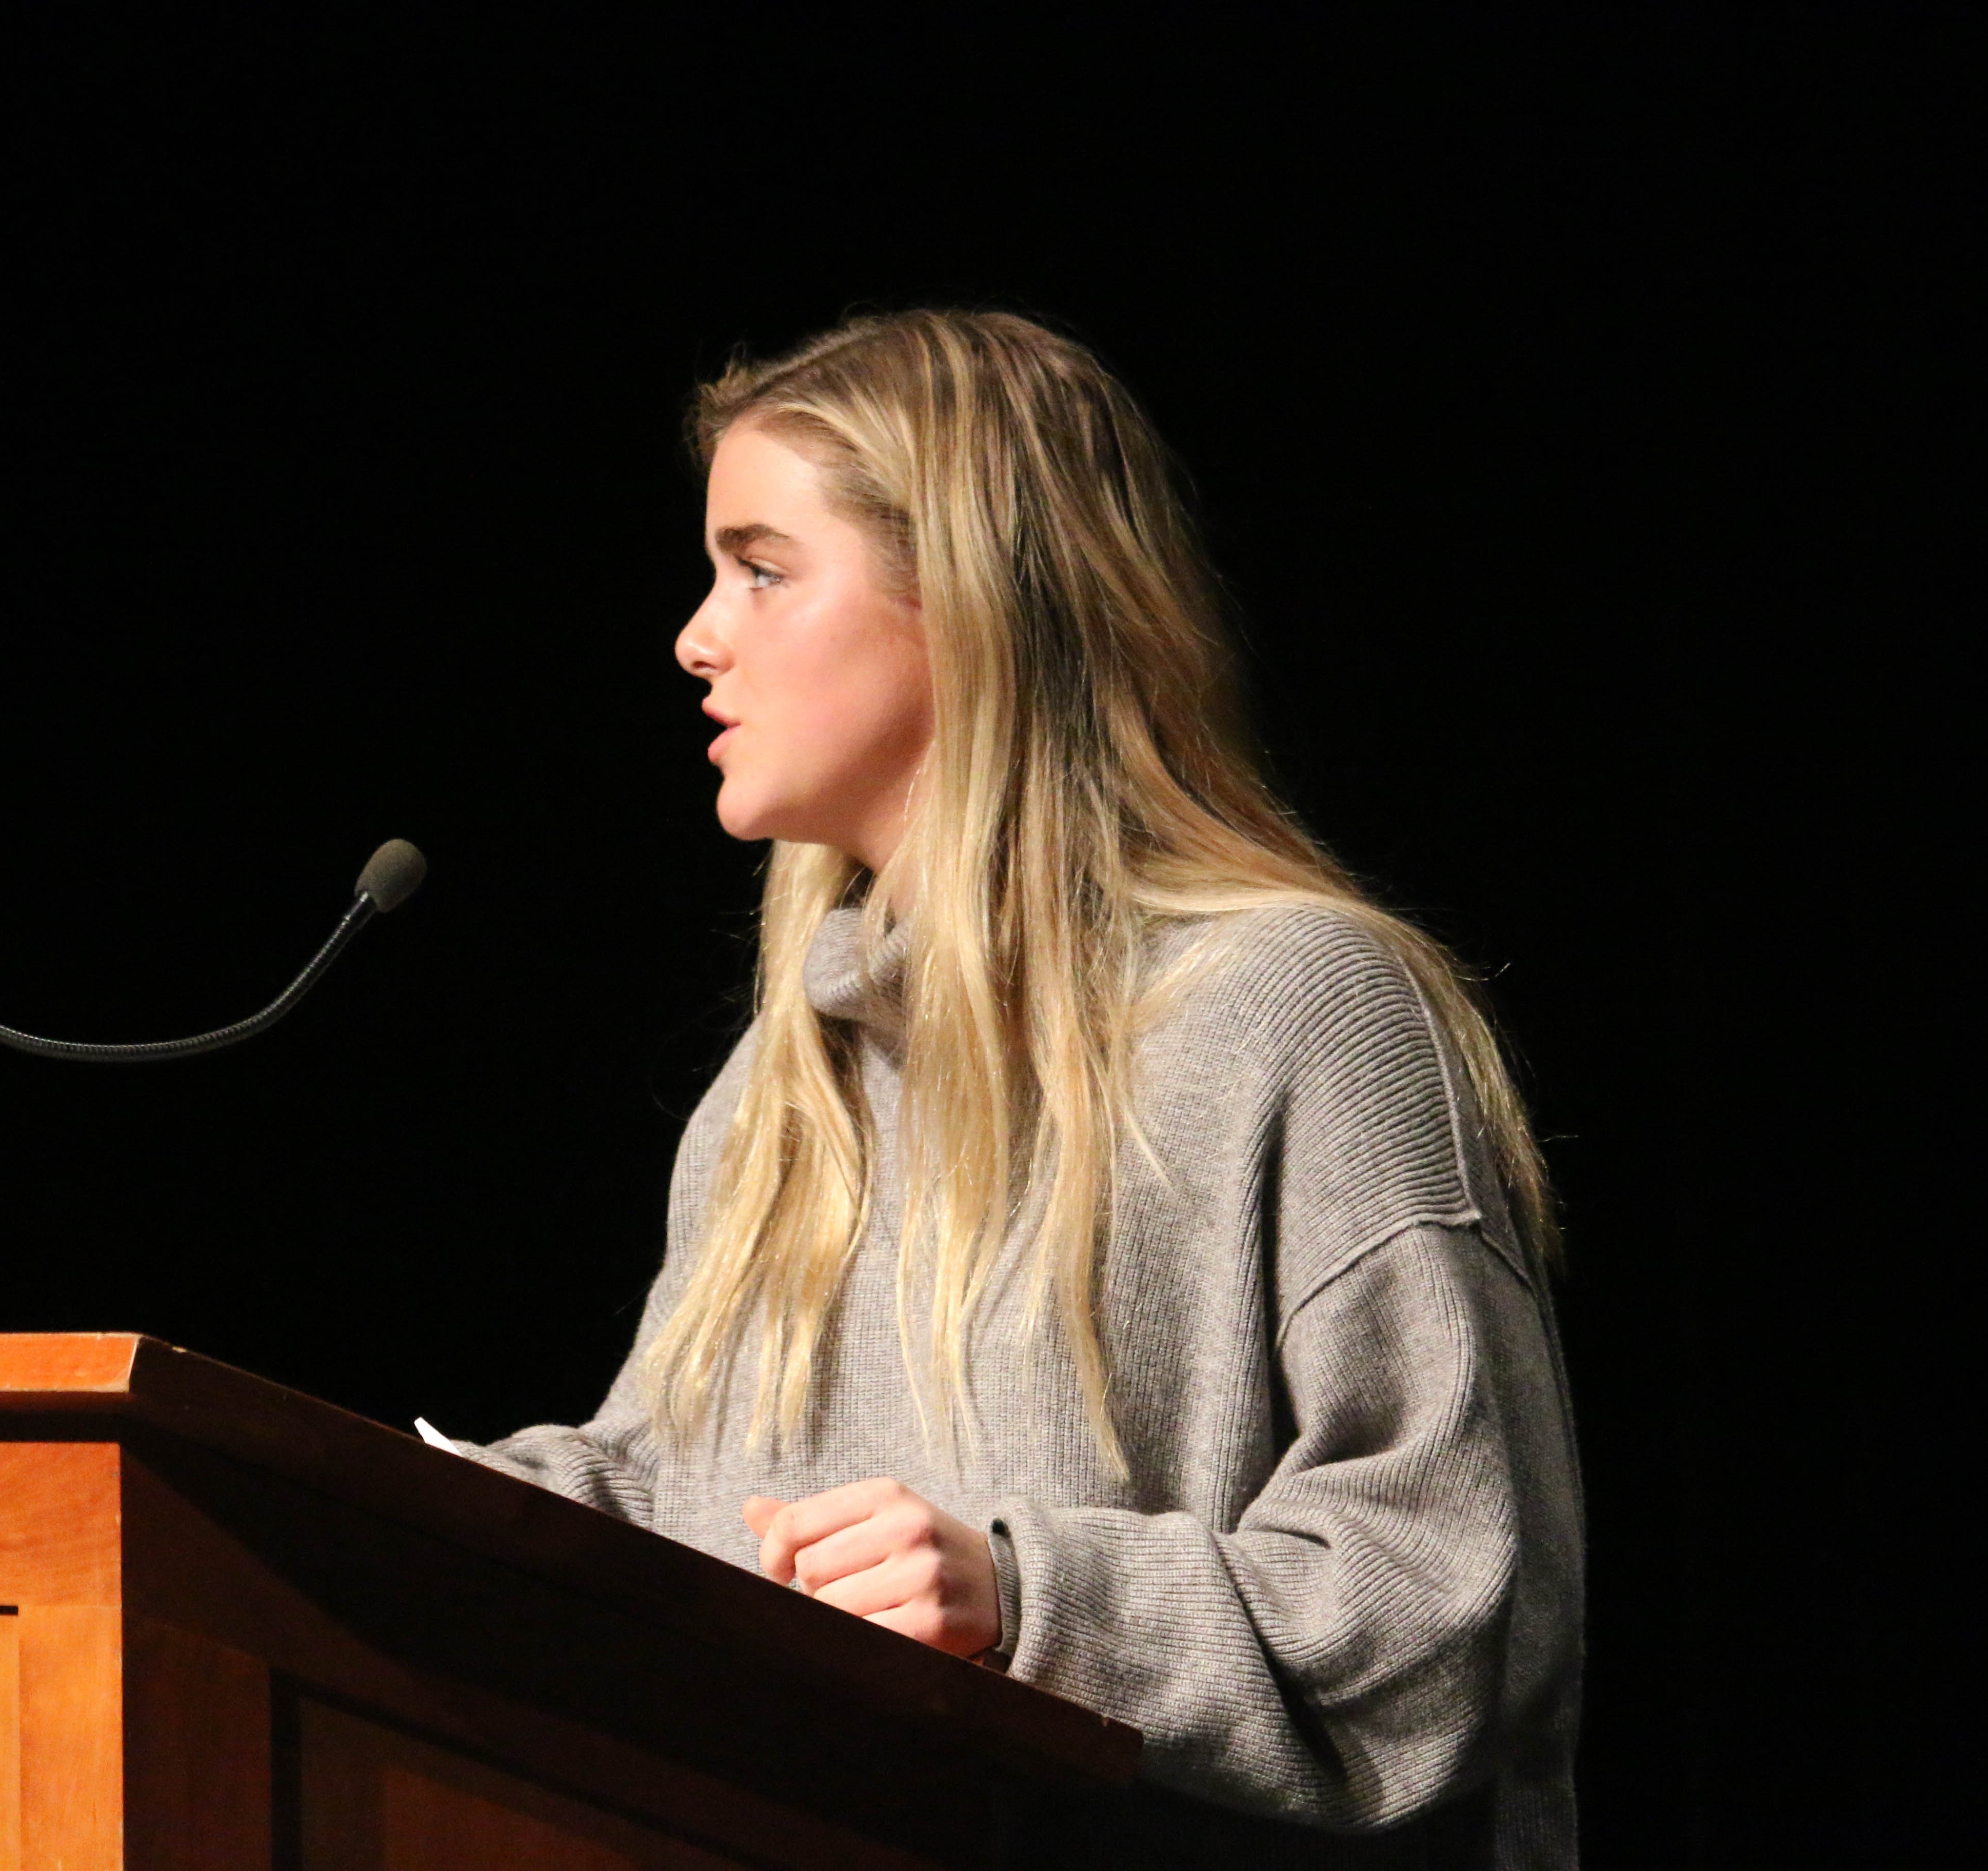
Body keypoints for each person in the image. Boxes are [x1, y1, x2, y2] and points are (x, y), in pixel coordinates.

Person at [454, 309, 1583, 1866]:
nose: (696, 636)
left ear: (969, 603)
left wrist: (1033, 1601)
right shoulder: (784, 1090)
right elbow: (681, 1505)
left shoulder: (1298, 1009)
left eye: (762, 568)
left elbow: (1455, 1604)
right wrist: (418, 1518)